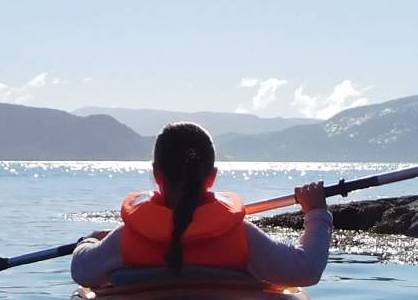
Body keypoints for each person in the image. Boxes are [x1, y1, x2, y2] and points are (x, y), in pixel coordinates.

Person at [71, 122, 333, 288]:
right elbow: (306, 270)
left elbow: (82, 271)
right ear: (212, 176)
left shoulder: (127, 238)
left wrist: (90, 241)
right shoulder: (241, 236)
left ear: (156, 174)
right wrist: (316, 212)